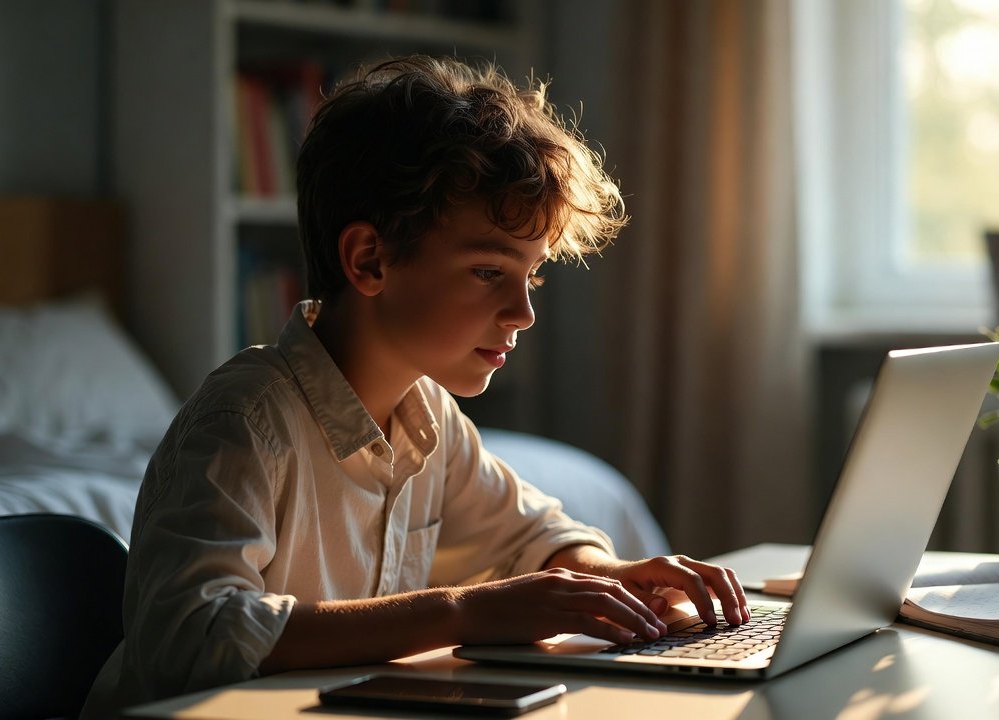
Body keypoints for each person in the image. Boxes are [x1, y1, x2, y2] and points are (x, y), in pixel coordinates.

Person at [81, 55, 749, 716]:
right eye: (490, 272)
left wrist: (602, 576)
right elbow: (195, 633)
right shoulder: (247, 420)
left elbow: (528, 534)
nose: (524, 313)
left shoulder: (426, 414)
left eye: (533, 276)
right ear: (369, 260)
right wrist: (458, 610)